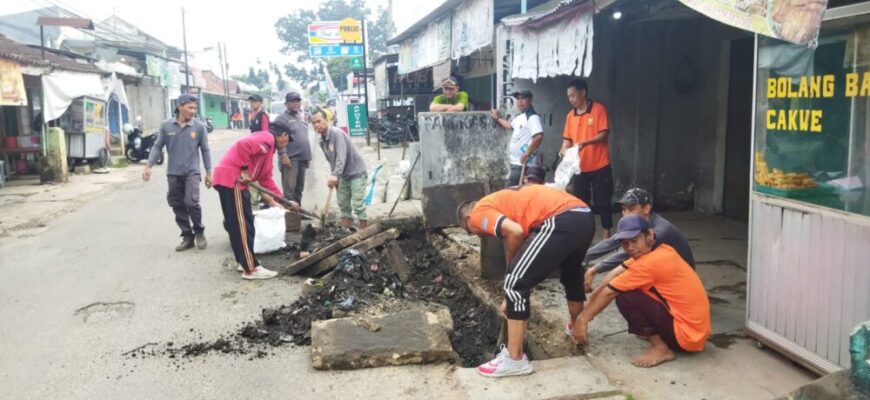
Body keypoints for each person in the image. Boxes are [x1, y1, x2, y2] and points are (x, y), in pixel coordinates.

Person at [456, 185, 595, 378]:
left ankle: (514, 359)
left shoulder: (479, 211)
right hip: (584, 216)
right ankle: (576, 329)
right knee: (572, 276)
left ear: (468, 219)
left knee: (515, 282)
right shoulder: (501, 202)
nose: (478, 234)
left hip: (560, 219)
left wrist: (512, 272)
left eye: (471, 231)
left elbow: (516, 232)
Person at [572, 214, 711, 368]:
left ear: (649, 235)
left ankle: (661, 348)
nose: (630, 248)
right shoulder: (660, 251)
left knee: (627, 296)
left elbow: (610, 292)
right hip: (695, 331)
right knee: (628, 286)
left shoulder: (650, 264)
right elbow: (616, 273)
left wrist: (582, 319)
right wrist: (591, 298)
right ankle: (659, 336)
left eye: (634, 240)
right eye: (625, 244)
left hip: (687, 337)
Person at [212, 122, 297, 280]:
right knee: (242, 225)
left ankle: (244, 261)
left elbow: (266, 180)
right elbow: (243, 145)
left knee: (244, 223)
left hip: (233, 182)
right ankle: (251, 269)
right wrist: (244, 169)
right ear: (283, 135)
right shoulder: (267, 138)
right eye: (287, 140)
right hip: (233, 179)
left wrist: (285, 201)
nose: (285, 145)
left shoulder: (268, 152)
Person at [582, 188, 695, 295]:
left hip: (679, 283)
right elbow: (611, 242)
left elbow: (625, 253)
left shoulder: (659, 231)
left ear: (646, 209)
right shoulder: (636, 224)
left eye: (631, 209)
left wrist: (595, 269)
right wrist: (582, 257)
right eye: (624, 209)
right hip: (663, 273)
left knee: (625, 287)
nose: (626, 214)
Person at [142, 93, 212, 252]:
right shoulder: (166, 126)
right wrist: (148, 166)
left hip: (192, 172)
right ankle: (187, 236)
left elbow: (205, 150)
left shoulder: (199, 127)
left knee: (192, 202)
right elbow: (157, 146)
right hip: (173, 173)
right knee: (176, 203)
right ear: (180, 106)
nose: (193, 111)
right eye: (190, 107)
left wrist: (209, 172)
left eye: (195, 108)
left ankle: (199, 231)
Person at [560, 79, 614, 238]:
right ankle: (584, 235)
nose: (571, 99)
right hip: (580, 169)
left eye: (573, 95)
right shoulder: (570, 116)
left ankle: (606, 235)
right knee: (581, 203)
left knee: (603, 202)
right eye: (569, 97)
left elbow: (604, 133)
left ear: (583, 92)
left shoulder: (598, 109)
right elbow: (567, 140)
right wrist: (563, 149)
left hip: (600, 166)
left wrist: (586, 142)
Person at [311, 109, 369, 229]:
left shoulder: (337, 134)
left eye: (319, 121)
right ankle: (345, 230)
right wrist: (335, 176)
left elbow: (341, 157)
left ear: (326, 120)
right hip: (342, 175)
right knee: (343, 203)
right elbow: (331, 160)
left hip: (356, 173)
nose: (316, 125)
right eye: (313, 123)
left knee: (358, 204)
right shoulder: (321, 140)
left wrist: (335, 175)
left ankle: (365, 229)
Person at [491, 90, 544, 187]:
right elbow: (509, 125)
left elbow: (538, 136)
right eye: (518, 99)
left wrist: (527, 152)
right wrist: (497, 118)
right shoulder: (521, 117)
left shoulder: (532, 117)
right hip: (516, 162)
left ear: (531, 101)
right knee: (516, 191)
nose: (520, 101)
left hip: (523, 164)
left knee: (512, 192)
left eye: (523, 99)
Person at [274, 92, 311, 205]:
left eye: (297, 101)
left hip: (302, 158)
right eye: (292, 102)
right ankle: (290, 217)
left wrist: (307, 157)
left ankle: (297, 213)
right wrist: (284, 155)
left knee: (299, 189)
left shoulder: (299, 116)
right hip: (291, 159)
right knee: (289, 190)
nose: (296, 104)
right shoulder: (281, 119)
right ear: (286, 104)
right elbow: (279, 139)